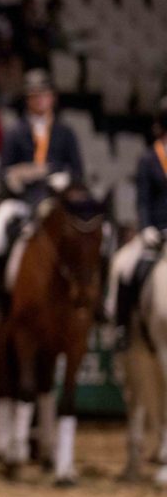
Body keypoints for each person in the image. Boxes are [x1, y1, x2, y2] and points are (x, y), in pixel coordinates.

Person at [0, 68, 84, 313]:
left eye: (43, 95)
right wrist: (16, 177)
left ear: (52, 98)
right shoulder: (15, 132)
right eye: (34, 96)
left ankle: (88, 301)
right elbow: (5, 170)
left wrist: (63, 176)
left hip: (55, 201)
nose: (39, 100)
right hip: (22, 201)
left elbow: (78, 171)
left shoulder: (65, 133)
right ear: (28, 100)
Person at [107, 99, 167, 346]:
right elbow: (143, 199)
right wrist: (147, 228)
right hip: (157, 231)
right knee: (125, 266)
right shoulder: (149, 159)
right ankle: (122, 327)